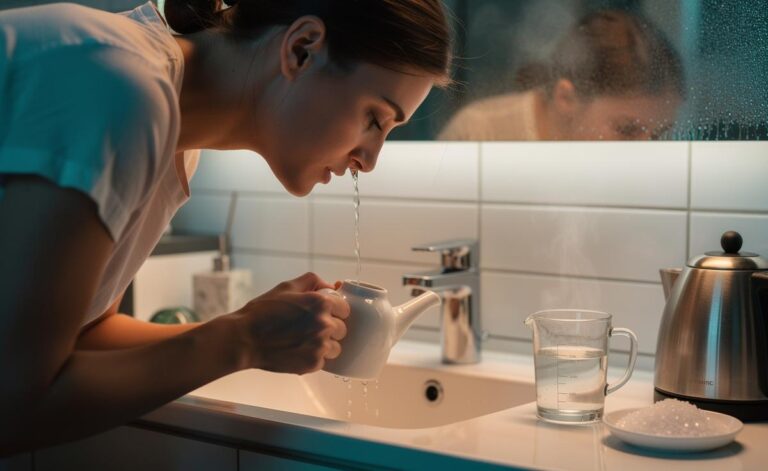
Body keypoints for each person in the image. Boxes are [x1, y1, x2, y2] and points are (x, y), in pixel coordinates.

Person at [0, 0, 452, 455]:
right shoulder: (123, 88)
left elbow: (89, 334)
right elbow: (14, 403)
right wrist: (242, 341)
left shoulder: (175, 138)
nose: (369, 161)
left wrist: (250, 326)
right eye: (375, 119)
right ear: (301, 49)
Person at [439, 9, 684, 141]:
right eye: (627, 130)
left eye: (660, 134)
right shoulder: (479, 132)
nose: (647, 151)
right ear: (566, 98)